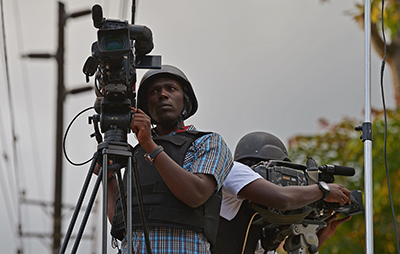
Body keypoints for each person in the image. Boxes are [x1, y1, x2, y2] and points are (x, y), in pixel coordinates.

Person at [97, 65, 233, 254]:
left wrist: (150, 146)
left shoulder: (208, 142)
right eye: (154, 91)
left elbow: (196, 194)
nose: (162, 95)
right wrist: (109, 176)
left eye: (171, 88)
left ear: (185, 100)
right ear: (144, 107)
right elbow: (121, 220)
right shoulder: (136, 153)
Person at [212, 131, 352, 254]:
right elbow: (283, 198)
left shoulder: (261, 227)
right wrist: (323, 190)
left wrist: (319, 238)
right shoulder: (234, 171)